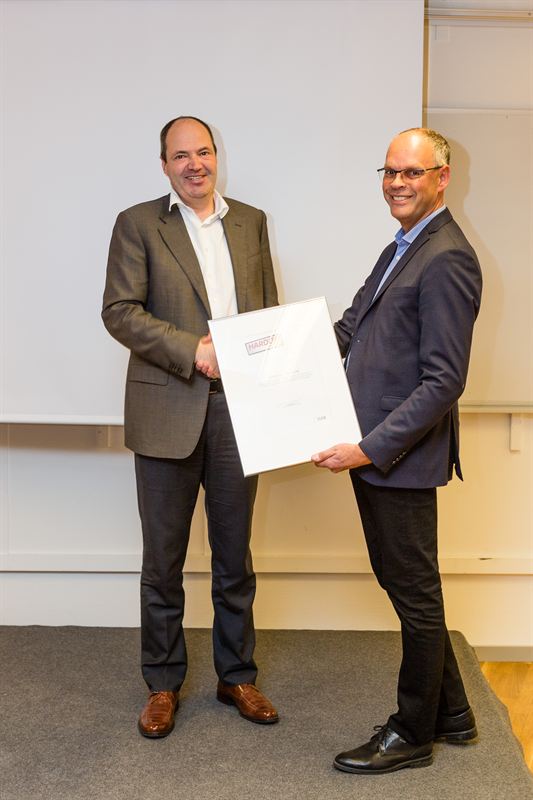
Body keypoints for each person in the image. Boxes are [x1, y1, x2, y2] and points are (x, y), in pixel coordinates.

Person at [102, 116, 279, 738]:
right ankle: (162, 684)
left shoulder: (251, 222)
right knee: (163, 562)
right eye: (181, 155)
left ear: (216, 157)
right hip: (167, 410)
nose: (194, 164)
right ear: (164, 165)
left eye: (203, 152)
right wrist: (193, 349)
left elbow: (267, 315)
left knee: (235, 557)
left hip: (239, 413)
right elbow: (119, 312)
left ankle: (237, 676)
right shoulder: (137, 223)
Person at [312, 128, 482, 774]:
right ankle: (454, 713)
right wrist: (261, 358)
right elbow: (348, 329)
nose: (397, 183)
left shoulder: (447, 257)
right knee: (403, 582)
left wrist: (367, 449)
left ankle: (412, 731)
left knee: (414, 594)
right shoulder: (401, 247)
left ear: (442, 177)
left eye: (412, 172)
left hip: (397, 457)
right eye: (389, 171)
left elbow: (443, 381)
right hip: (374, 451)